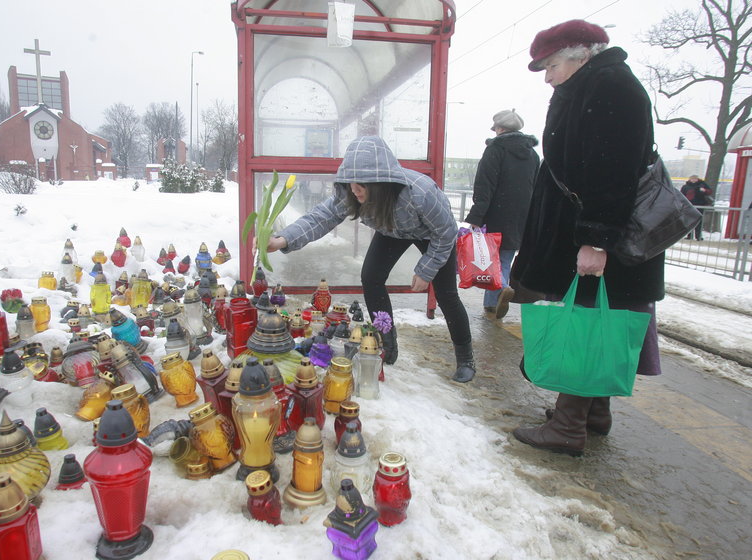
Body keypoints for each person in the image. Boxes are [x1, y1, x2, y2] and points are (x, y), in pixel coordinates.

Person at [509, 20, 664, 456]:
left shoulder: (611, 89)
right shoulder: (595, 85)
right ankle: (594, 413)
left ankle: (568, 427)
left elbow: (611, 173)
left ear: (581, 54)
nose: (547, 75)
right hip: (596, 232)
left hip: (605, 236)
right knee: (601, 318)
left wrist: (596, 240)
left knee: (585, 322)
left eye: (552, 64)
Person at [265, 136, 476, 383]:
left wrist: (426, 270)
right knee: (371, 277)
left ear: (382, 181)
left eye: (362, 184)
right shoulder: (352, 193)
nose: (355, 189)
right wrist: (282, 240)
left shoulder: (422, 193)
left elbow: (446, 232)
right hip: (391, 230)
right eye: (351, 182)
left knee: (446, 294)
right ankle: (388, 342)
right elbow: (320, 218)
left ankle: (466, 359)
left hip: (432, 235)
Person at [464, 109, 539, 319]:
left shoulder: (495, 150)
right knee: (504, 258)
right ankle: (491, 304)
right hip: (520, 216)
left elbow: (484, 187)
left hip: (495, 214)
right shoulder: (532, 154)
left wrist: (476, 217)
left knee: (490, 260)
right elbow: (536, 187)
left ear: (500, 129)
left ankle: (503, 287)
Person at [681, 175, 714, 241]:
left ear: (697, 179)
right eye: (692, 178)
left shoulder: (702, 184)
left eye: (695, 178)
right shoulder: (685, 186)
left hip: (700, 205)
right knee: (689, 221)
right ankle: (689, 235)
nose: (693, 180)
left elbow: (710, 191)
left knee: (699, 221)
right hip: (689, 206)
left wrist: (704, 190)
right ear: (689, 179)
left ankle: (698, 236)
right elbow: (681, 195)